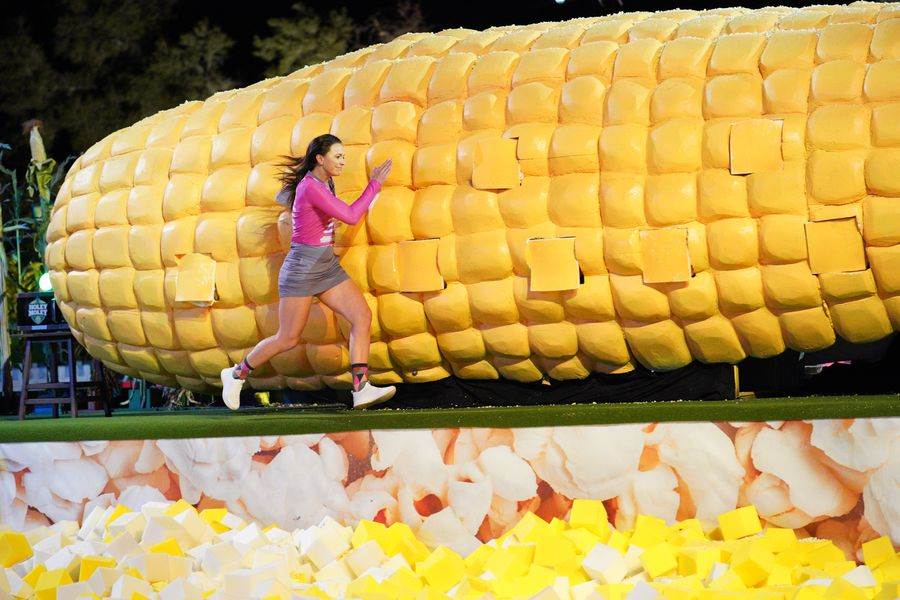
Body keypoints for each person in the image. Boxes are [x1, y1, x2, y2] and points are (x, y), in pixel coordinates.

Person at [220, 133, 396, 410]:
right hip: (302, 269)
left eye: (344, 157)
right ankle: (235, 374)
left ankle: (361, 389)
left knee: (361, 316)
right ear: (320, 159)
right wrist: (374, 184)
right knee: (288, 338)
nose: (343, 161)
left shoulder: (325, 183)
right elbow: (351, 216)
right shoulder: (310, 187)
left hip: (325, 266)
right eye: (337, 156)